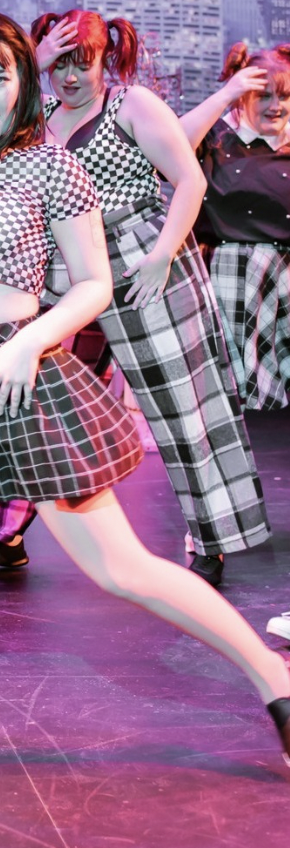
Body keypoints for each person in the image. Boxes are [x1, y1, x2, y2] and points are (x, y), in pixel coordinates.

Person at [0, 8, 290, 769]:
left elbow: (92, 287)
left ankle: (275, 680)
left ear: (22, 84)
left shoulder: (50, 165)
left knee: (119, 569)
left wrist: (30, 341)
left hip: (18, 379)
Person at [0, 9, 269, 591]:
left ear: (104, 58)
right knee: (28, 397)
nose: (71, 77)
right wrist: (32, 62)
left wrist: (162, 255)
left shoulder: (131, 104)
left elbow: (190, 180)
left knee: (184, 404)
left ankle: (210, 542)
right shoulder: (37, 116)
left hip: (142, 251)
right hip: (66, 260)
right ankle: (4, 535)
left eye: (81, 62)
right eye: (58, 64)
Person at [178, 41, 290, 649]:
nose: (274, 104)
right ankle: (208, 539)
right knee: (211, 419)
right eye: (261, 91)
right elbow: (161, 147)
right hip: (225, 282)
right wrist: (224, 97)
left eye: (285, 93)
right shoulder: (214, 140)